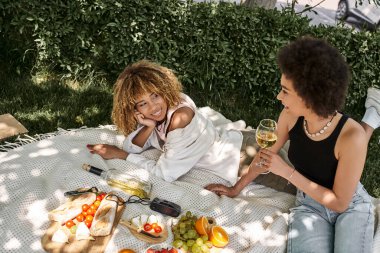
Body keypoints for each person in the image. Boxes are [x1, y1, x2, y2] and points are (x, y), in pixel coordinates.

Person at [205, 36, 375, 252]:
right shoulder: (290, 116)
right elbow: (265, 155)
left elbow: (340, 202)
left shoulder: (353, 137)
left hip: (350, 207)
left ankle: (372, 117)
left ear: (310, 97)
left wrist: (286, 172)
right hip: (309, 205)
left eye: (285, 91)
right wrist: (236, 187)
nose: (278, 96)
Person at [86, 60, 245, 184]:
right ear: (135, 110)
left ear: (164, 90)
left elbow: (165, 174)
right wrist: (148, 127)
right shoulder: (156, 116)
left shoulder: (179, 119)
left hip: (242, 159)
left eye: (155, 96)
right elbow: (132, 147)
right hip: (236, 147)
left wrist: (122, 155)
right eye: (142, 103)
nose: (153, 106)